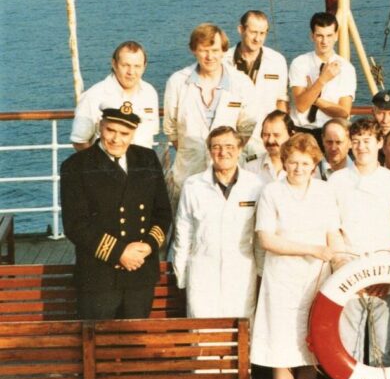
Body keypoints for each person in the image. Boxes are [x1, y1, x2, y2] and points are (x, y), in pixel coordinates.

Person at [251, 132, 343, 379]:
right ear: (284, 162)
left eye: (305, 163)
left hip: (316, 281)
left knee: (309, 351)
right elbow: (267, 240)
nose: (298, 168)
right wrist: (311, 249)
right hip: (281, 282)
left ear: (314, 163)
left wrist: (344, 268)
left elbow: (334, 236)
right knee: (282, 352)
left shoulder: (325, 192)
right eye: (292, 162)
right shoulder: (272, 192)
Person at [328, 118, 390, 379]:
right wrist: (349, 274)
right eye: (356, 140)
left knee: (383, 352)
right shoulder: (335, 181)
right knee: (346, 348)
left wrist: (386, 274)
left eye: (367, 140)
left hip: (385, 279)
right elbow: (333, 231)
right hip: (347, 278)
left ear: (379, 143)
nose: (361, 146)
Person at [60, 102, 171, 320]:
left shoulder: (147, 159)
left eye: (124, 133)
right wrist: (120, 252)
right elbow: (75, 224)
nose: (116, 139)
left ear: (133, 134)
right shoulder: (76, 166)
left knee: (134, 347)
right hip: (98, 275)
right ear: (100, 126)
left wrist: (147, 247)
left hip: (140, 272)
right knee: (97, 347)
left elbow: (163, 213)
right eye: (111, 130)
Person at [172, 126, 264, 318]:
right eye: (217, 147)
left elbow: (258, 237)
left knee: (239, 330)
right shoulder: (193, 185)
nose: (223, 152)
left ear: (239, 150)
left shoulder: (255, 185)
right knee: (202, 332)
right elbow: (183, 233)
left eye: (230, 146)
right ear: (209, 150)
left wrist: (261, 273)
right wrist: (181, 276)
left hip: (241, 271)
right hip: (202, 271)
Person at [163, 23, 258, 205]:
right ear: (194, 50)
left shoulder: (241, 83)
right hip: (188, 170)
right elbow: (170, 129)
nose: (210, 56)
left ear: (223, 51)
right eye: (203, 50)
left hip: (228, 172)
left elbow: (246, 129)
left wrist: (225, 153)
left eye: (215, 50)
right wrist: (196, 151)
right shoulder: (177, 82)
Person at [71, 41, 160, 151]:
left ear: (144, 67)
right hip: (106, 166)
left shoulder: (149, 93)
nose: (131, 72)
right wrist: (98, 165)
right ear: (114, 64)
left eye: (137, 66)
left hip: (142, 166)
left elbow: (151, 134)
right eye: (125, 65)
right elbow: (79, 141)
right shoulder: (94, 95)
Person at [225, 10, 289, 157]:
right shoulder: (223, 61)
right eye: (253, 32)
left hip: (265, 140)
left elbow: (281, 101)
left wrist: (282, 137)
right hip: (231, 140)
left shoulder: (277, 61)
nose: (257, 39)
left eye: (262, 33)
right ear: (241, 29)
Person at [288, 12, 356, 143]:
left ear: (336, 36)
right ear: (312, 36)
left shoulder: (347, 69)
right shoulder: (299, 63)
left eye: (329, 35)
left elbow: (343, 113)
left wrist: (314, 98)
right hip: (302, 131)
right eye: (319, 35)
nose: (324, 41)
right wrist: (322, 80)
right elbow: (301, 106)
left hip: (333, 133)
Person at [244, 110, 292, 184]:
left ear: (291, 135)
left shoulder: (304, 165)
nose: (270, 140)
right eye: (266, 135)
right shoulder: (251, 165)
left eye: (276, 135)